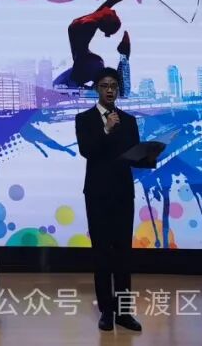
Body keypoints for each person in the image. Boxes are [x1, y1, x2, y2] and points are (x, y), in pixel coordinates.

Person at [74, 69, 142, 333]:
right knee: (102, 253)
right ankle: (106, 312)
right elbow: (87, 150)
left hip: (123, 192)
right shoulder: (84, 119)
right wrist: (106, 129)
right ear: (97, 89)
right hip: (98, 193)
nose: (110, 90)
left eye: (114, 85)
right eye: (104, 85)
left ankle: (124, 312)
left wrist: (149, 155)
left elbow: (133, 155)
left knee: (123, 255)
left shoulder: (129, 120)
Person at [53, 0, 150, 91]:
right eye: (115, 14)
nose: (113, 11)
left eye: (114, 15)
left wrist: (77, 80)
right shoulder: (96, 17)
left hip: (88, 65)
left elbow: (79, 54)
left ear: (106, 20)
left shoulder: (89, 24)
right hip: (89, 64)